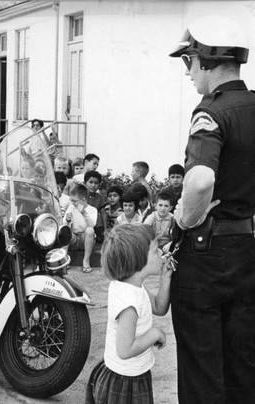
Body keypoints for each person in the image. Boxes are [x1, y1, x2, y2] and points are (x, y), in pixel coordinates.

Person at [169, 15, 255, 403]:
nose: (188, 73)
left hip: (205, 257)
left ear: (207, 61)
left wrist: (185, 217)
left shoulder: (211, 112)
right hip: (247, 251)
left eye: (189, 62)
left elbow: (201, 180)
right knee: (243, 368)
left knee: (202, 372)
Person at [86, 224, 172, 404]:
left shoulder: (132, 284)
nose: (160, 254)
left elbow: (158, 307)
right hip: (124, 383)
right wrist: (154, 334)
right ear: (138, 260)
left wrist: (165, 278)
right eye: (156, 250)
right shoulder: (129, 302)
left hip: (131, 374)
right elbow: (125, 350)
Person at [63, 184, 98, 273]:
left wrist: (83, 213)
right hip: (74, 239)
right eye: (71, 200)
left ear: (83, 200)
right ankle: (64, 259)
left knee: (90, 230)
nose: (72, 203)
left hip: (85, 240)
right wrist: (67, 220)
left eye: (75, 201)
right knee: (65, 229)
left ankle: (86, 261)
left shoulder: (92, 210)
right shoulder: (71, 207)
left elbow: (92, 224)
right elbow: (64, 224)